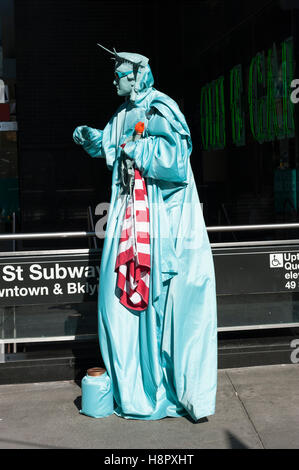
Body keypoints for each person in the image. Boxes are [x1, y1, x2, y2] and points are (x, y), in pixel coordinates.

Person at [73, 45, 217, 421]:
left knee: (166, 300)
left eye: (120, 74)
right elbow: (109, 145)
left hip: (161, 218)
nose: (114, 79)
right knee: (113, 298)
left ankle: (166, 386)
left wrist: (139, 148)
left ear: (137, 75)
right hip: (127, 213)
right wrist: (93, 139)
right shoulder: (122, 114)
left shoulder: (162, 108)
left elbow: (177, 162)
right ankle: (134, 386)